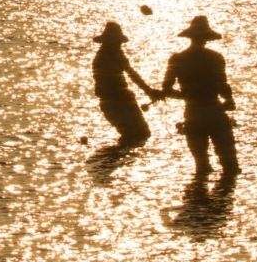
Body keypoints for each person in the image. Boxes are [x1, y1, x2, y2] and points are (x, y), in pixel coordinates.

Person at [161, 16, 239, 177]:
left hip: (192, 113)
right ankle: (226, 195)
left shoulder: (177, 59)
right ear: (207, 38)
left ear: (190, 37)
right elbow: (222, 86)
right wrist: (229, 99)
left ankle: (199, 198)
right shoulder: (216, 58)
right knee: (229, 163)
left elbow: (166, 89)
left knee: (201, 165)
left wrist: (187, 96)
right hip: (215, 111)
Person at [92, 21, 161, 147]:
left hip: (107, 102)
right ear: (113, 42)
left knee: (129, 136)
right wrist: (149, 91)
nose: (120, 45)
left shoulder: (99, 56)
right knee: (142, 134)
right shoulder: (116, 55)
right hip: (121, 101)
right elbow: (132, 75)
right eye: (118, 42)